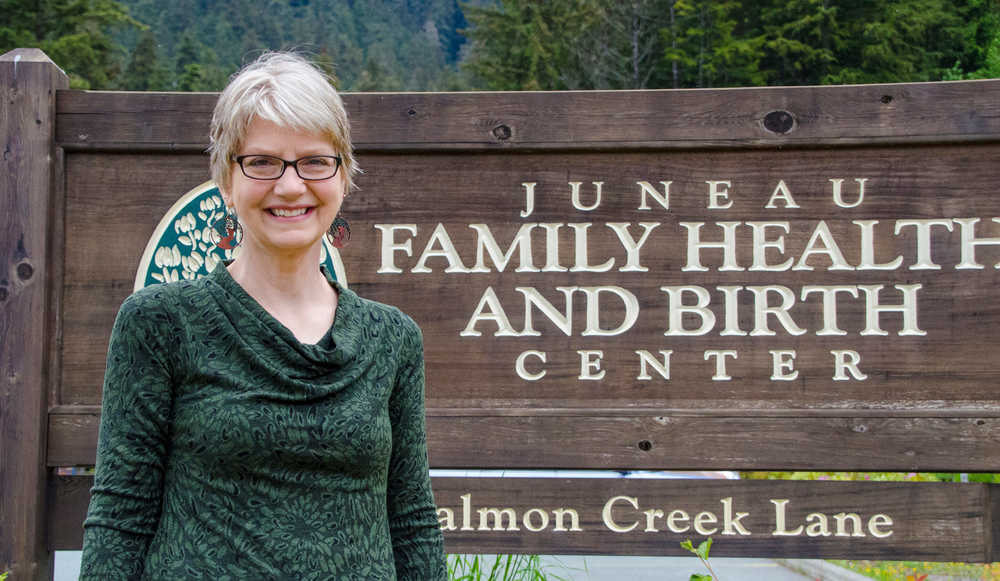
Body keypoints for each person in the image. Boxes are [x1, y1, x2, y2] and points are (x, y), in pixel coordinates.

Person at [79, 52, 448, 580]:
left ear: (344, 178)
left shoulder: (393, 339)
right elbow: (120, 516)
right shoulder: (161, 323)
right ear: (227, 178)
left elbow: (411, 521)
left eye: (316, 161)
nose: (291, 186)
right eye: (263, 162)